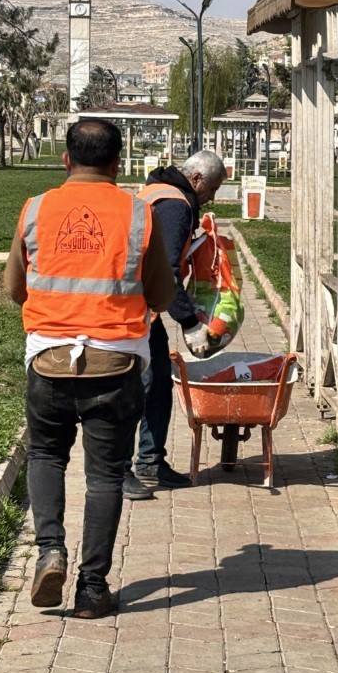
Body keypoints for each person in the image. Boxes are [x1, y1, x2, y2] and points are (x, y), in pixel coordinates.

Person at [5, 118, 176, 618]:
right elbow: (162, 295)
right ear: (117, 163)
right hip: (116, 367)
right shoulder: (139, 214)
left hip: (49, 363)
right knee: (104, 477)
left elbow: (16, 287)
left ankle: (49, 551)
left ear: (66, 160)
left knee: (45, 456)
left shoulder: (35, 209)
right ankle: (92, 589)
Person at [123, 149, 228, 500]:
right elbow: (166, 268)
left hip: (136, 301)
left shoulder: (158, 191)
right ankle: (122, 468)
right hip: (132, 305)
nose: (212, 198)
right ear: (196, 179)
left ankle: (150, 461)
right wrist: (189, 322)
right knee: (138, 386)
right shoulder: (176, 205)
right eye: (211, 188)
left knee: (155, 382)